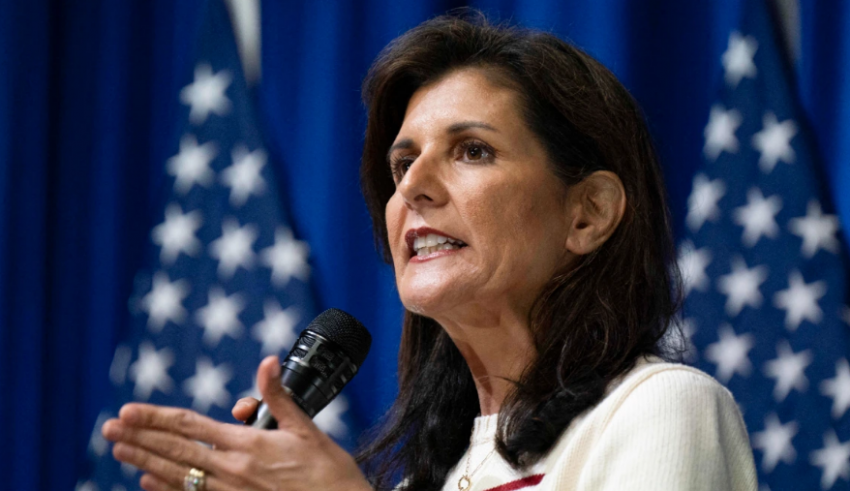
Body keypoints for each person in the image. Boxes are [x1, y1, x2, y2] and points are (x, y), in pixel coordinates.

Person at [102, 13, 758, 491]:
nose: (412, 185)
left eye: (472, 150)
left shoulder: (662, 409)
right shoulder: (424, 479)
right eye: (402, 163)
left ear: (587, 213)